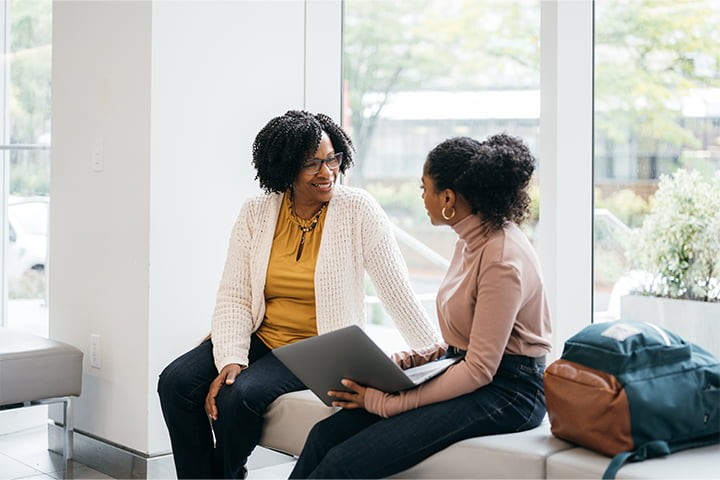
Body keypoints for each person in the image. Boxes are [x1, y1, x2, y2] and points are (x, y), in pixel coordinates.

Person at [157, 110, 439, 479]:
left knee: (238, 396)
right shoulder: (256, 213)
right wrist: (231, 357)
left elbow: (396, 289)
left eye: (332, 159)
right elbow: (235, 295)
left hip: (315, 346)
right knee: (175, 382)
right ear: (286, 167)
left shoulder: (357, 209)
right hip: (262, 334)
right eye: (312, 164)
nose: (327, 172)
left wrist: (439, 356)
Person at [290, 133, 553, 479]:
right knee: (325, 436)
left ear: (448, 198)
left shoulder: (502, 259)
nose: (422, 197)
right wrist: (405, 363)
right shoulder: (471, 239)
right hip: (470, 367)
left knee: (345, 463)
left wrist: (388, 403)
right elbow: (465, 343)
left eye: (424, 188)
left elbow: (479, 370)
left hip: (511, 391)